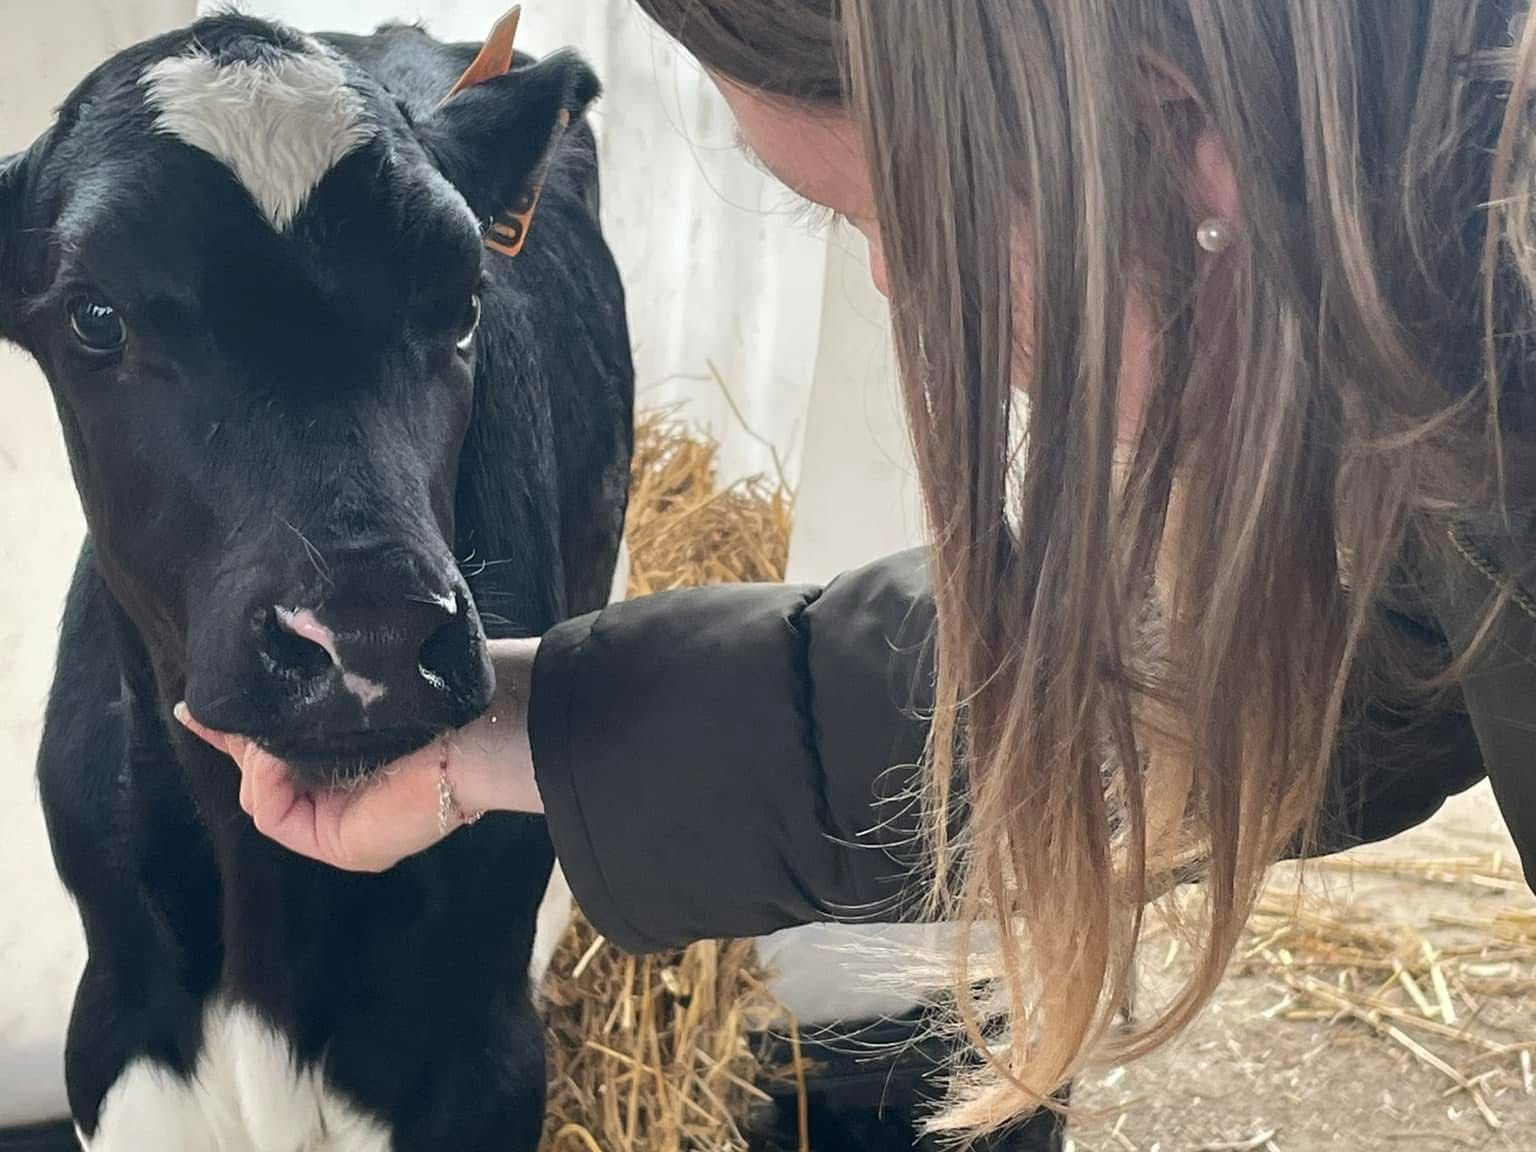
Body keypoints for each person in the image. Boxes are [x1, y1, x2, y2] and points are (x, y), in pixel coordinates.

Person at [177, 0, 1536, 1133]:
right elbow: (1191, 672)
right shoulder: (1447, 380)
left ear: (1170, 137)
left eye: (904, 217)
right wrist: (508, 727)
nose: (895, 284)